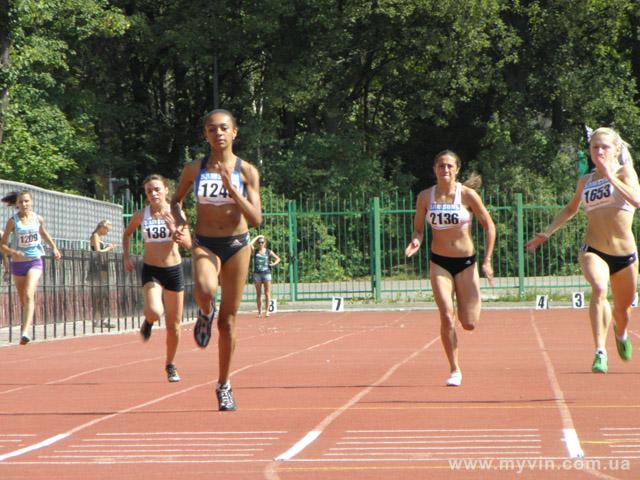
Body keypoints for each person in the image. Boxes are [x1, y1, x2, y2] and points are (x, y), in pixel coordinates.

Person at [526, 127, 639, 373]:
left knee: (623, 311)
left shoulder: (625, 173)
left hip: (625, 255)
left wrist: (610, 176)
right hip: (594, 249)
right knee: (599, 288)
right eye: (595, 147)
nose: (599, 151)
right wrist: (547, 232)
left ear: (616, 150)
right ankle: (600, 351)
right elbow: (570, 209)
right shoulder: (585, 181)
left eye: (604, 147)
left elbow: (636, 200)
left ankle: (620, 335)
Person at [171, 109, 262, 411]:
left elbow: (256, 219)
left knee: (229, 321)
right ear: (205, 135)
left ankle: (224, 384)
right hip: (205, 242)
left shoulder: (247, 171)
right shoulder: (193, 170)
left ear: (234, 133)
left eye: (224, 128)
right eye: (211, 129)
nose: (218, 133)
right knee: (206, 290)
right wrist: (180, 222)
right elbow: (176, 201)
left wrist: (234, 190)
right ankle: (204, 313)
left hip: (237, 244)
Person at [404, 150, 495, 387]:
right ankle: (454, 369)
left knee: (469, 323)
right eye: (441, 166)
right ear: (435, 169)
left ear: (457, 169)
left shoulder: (468, 195)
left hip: (466, 263)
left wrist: (487, 260)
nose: (445, 170)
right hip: (439, 262)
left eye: (449, 166)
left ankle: (470, 306)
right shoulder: (426, 197)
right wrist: (416, 241)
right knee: (446, 314)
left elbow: (489, 226)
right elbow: (418, 229)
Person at [123, 174, 191, 383]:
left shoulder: (176, 213)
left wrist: (173, 230)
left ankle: (170, 364)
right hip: (152, 270)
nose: (153, 194)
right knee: (154, 310)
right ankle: (149, 321)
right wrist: (126, 256)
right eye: (149, 191)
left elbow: (188, 243)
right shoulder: (141, 215)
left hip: (173, 270)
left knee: (174, 326)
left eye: (157, 190)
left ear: (166, 191)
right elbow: (127, 234)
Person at [0, 191, 61, 344]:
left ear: (31, 202)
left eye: (27, 201)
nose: (24, 204)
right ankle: (25, 320)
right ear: (17, 204)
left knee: (29, 294)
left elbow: (43, 233)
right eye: (21, 202)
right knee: (23, 299)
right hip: (18, 264)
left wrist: (54, 247)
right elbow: (2, 244)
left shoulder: (37, 218)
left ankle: (25, 332)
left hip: (35, 261)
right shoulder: (12, 222)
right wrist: (14, 252)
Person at [88, 220, 115, 329]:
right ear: (102, 227)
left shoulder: (99, 238)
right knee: (98, 294)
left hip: (102, 268)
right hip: (96, 268)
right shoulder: (95, 236)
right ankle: (97, 319)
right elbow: (98, 252)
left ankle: (103, 319)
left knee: (103, 294)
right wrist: (108, 248)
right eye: (107, 230)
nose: (107, 232)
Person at [250, 235, 281, 317]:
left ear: (265, 243)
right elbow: (250, 245)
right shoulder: (255, 251)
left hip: (267, 273)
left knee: (267, 293)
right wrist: (258, 236)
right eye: (259, 242)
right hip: (257, 274)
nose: (261, 244)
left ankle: (267, 311)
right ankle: (260, 312)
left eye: (262, 242)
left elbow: (278, 258)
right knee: (258, 294)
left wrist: (273, 264)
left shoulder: (268, 251)